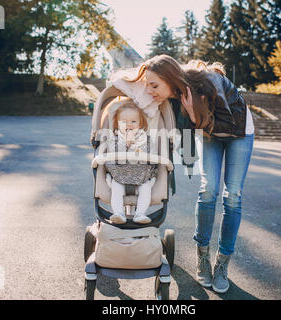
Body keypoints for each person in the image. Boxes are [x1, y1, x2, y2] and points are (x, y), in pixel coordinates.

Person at [130, 54, 255, 293]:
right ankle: (203, 256)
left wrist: (195, 117)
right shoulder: (174, 97)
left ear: (169, 79)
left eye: (154, 85)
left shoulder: (208, 82)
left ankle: (222, 264)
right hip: (210, 133)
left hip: (239, 131)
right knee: (208, 189)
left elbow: (227, 124)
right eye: (148, 85)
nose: (150, 90)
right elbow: (178, 135)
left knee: (232, 196)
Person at [105, 100, 157, 225]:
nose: (129, 125)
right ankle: (118, 213)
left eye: (133, 121)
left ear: (140, 124)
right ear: (117, 124)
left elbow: (149, 154)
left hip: (141, 175)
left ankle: (140, 214)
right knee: (116, 190)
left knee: (145, 190)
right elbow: (112, 154)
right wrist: (124, 144)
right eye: (124, 122)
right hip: (119, 174)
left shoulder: (145, 138)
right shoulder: (114, 138)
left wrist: (136, 146)